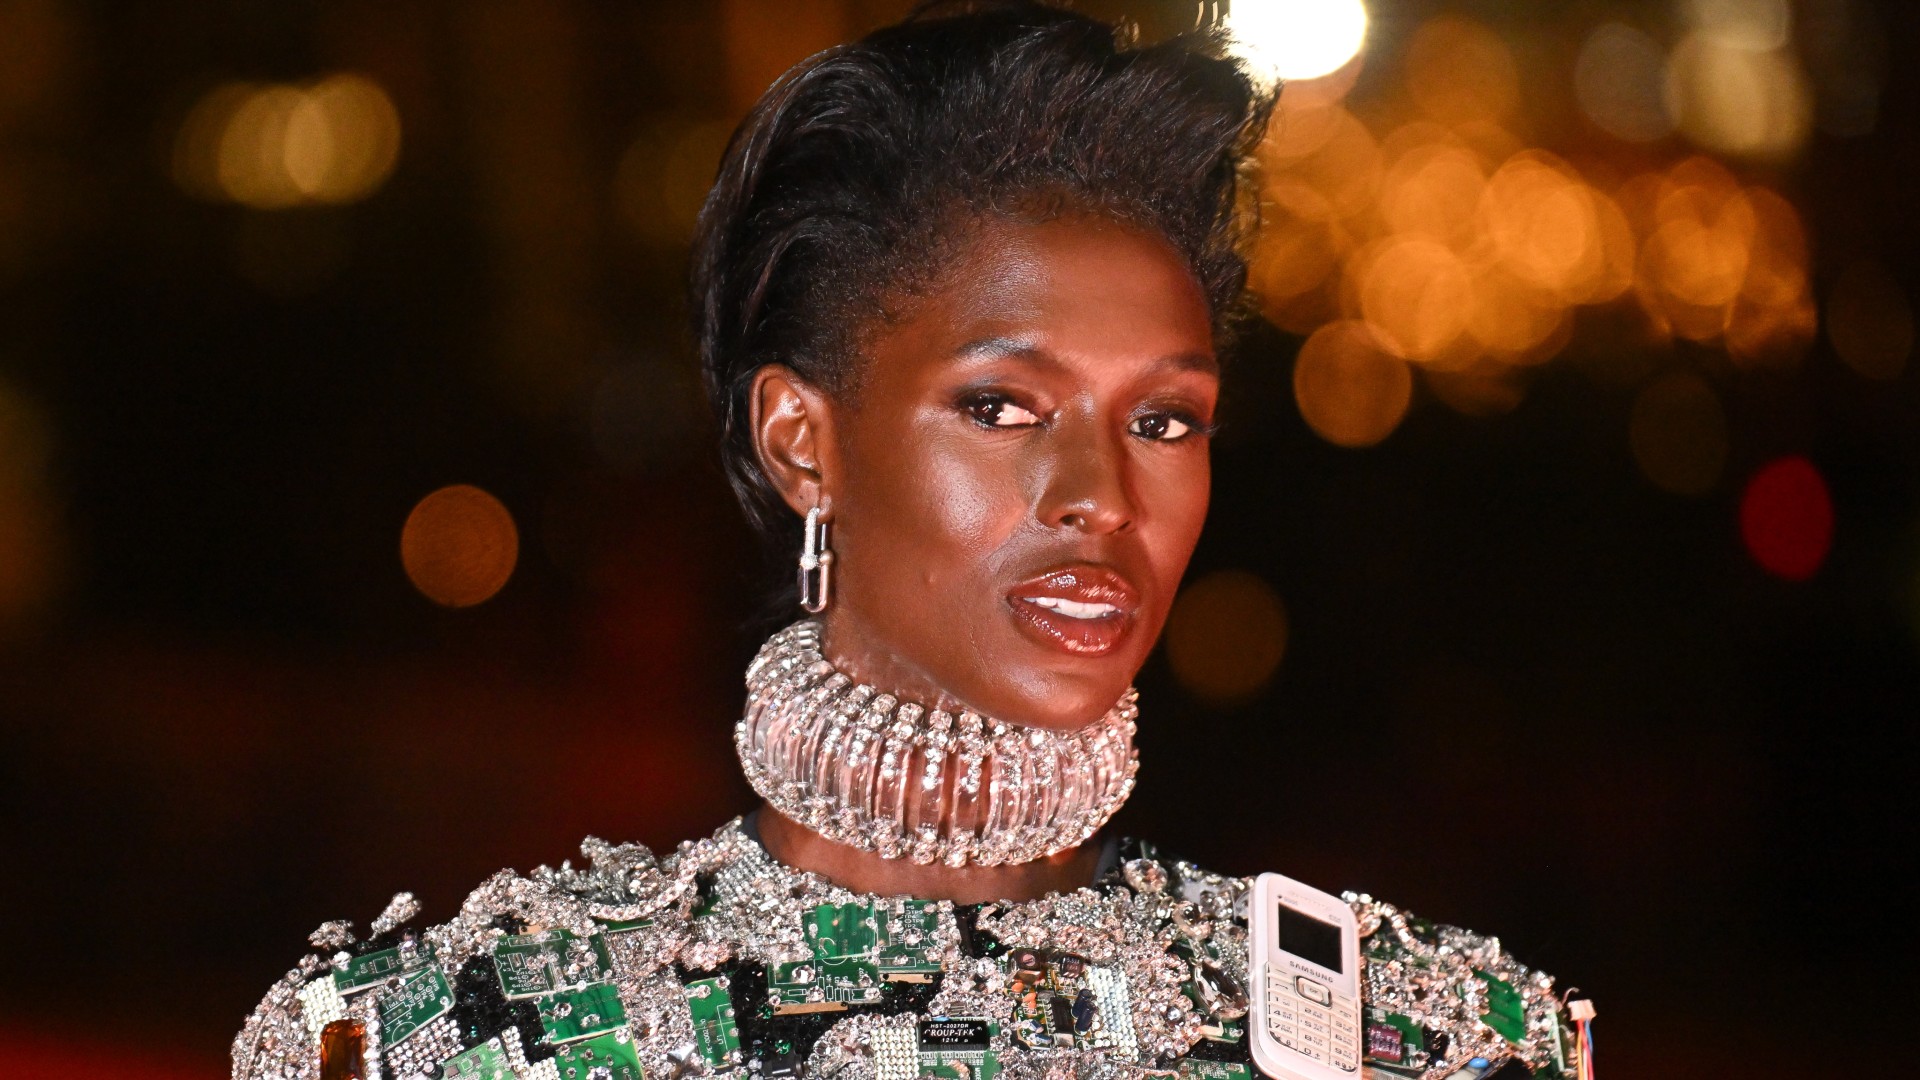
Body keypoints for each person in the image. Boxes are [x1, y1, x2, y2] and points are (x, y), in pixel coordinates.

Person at [233, 5, 1587, 1079]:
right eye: (1001, 405)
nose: (1099, 493)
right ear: (801, 440)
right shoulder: (441, 1041)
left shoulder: (1416, 1041)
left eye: (1166, 420)